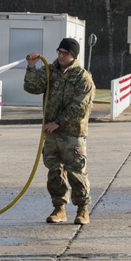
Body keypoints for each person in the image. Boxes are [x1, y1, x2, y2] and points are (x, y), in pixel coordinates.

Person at [24, 37, 96, 225]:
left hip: (73, 133)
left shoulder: (82, 76)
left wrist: (58, 122)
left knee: (76, 171)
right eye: (59, 52)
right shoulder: (51, 71)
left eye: (65, 54)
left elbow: (81, 106)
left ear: (73, 56)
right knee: (54, 171)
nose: (61, 56)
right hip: (52, 133)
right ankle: (59, 209)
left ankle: (82, 209)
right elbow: (32, 87)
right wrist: (31, 67)